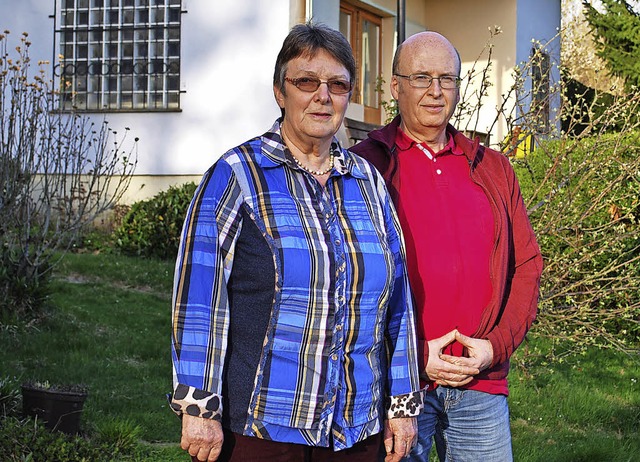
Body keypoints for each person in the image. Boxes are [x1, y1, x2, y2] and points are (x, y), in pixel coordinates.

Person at [169, 22, 423, 462]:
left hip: (356, 429)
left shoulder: (369, 184)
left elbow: (396, 301)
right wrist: (198, 406)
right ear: (280, 91)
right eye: (306, 81)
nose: (322, 96)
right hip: (262, 429)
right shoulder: (237, 175)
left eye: (338, 84)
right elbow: (200, 298)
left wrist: (401, 404)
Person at [350, 31, 543, 461]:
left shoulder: (492, 167)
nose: (436, 91)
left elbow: (527, 263)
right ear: (396, 86)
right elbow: (344, 281)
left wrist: (495, 346)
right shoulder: (366, 166)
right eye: (422, 78)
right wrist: (414, 356)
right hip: (399, 384)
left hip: (481, 380)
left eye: (447, 78)